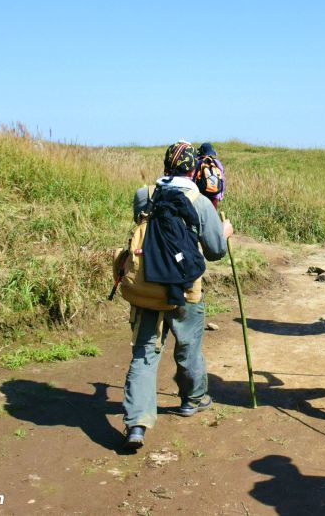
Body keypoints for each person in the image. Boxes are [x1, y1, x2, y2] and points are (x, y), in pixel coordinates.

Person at [122, 141, 234, 449]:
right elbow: (215, 251)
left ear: (165, 164)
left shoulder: (144, 194)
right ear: (194, 168)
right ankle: (191, 399)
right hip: (185, 287)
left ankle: (137, 424)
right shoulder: (198, 202)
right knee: (188, 346)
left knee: (144, 353)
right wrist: (224, 231)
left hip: (145, 285)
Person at [194, 142, 226, 209]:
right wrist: (221, 193)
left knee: (202, 215)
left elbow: (193, 178)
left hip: (202, 193)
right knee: (212, 215)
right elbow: (222, 179)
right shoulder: (216, 162)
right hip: (215, 193)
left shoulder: (198, 162)